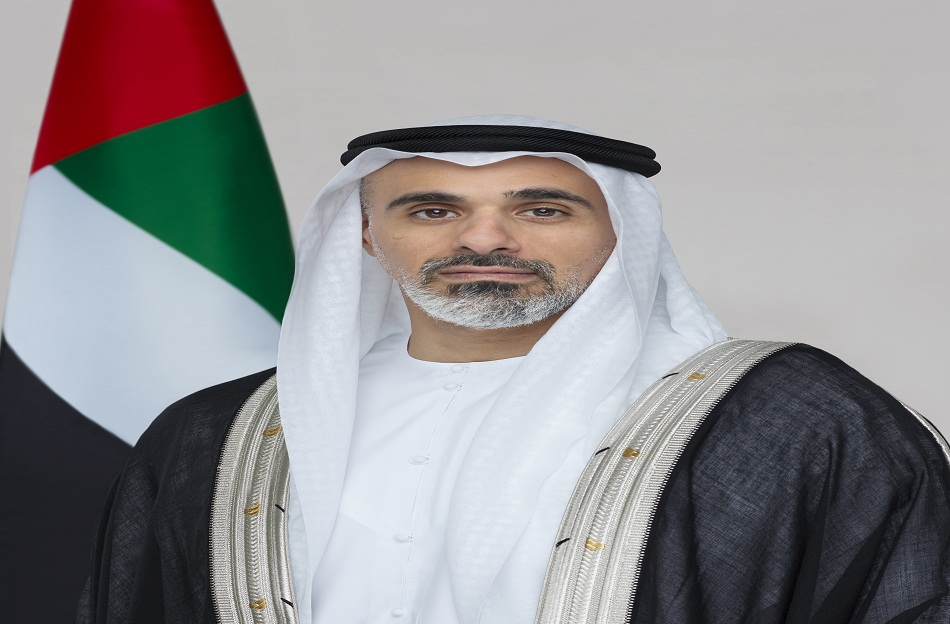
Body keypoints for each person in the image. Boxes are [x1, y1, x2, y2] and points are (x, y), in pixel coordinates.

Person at [77, 115, 950, 624]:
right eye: (433, 209)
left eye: (541, 209)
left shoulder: (786, 421)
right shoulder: (218, 435)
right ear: (367, 236)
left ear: (622, 233)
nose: (485, 238)